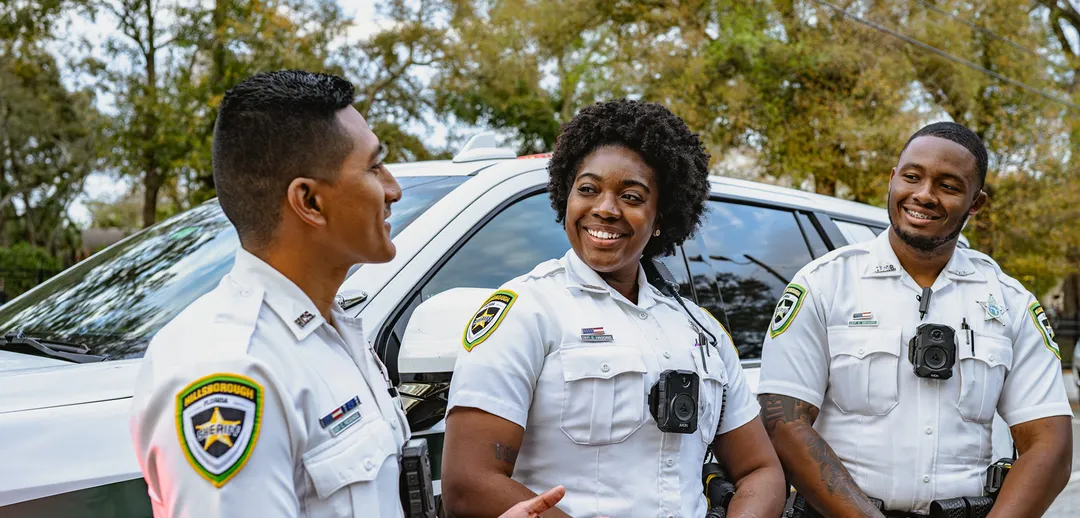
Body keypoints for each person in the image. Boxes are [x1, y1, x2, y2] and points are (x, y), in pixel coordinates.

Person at [129, 70, 566, 518]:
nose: (393, 188)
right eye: (375, 167)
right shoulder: (234, 371)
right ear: (309, 201)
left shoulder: (336, 333)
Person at [440, 99, 787, 518]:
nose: (605, 208)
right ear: (565, 197)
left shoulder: (702, 331)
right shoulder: (527, 310)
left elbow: (760, 470)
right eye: (588, 189)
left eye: (631, 196)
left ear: (660, 218)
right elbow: (469, 484)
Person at [758, 122, 1073, 517]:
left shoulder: (1010, 302)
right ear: (892, 180)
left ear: (976, 203)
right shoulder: (824, 284)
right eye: (912, 177)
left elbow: (1050, 444)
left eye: (948, 186)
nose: (923, 195)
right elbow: (782, 422)